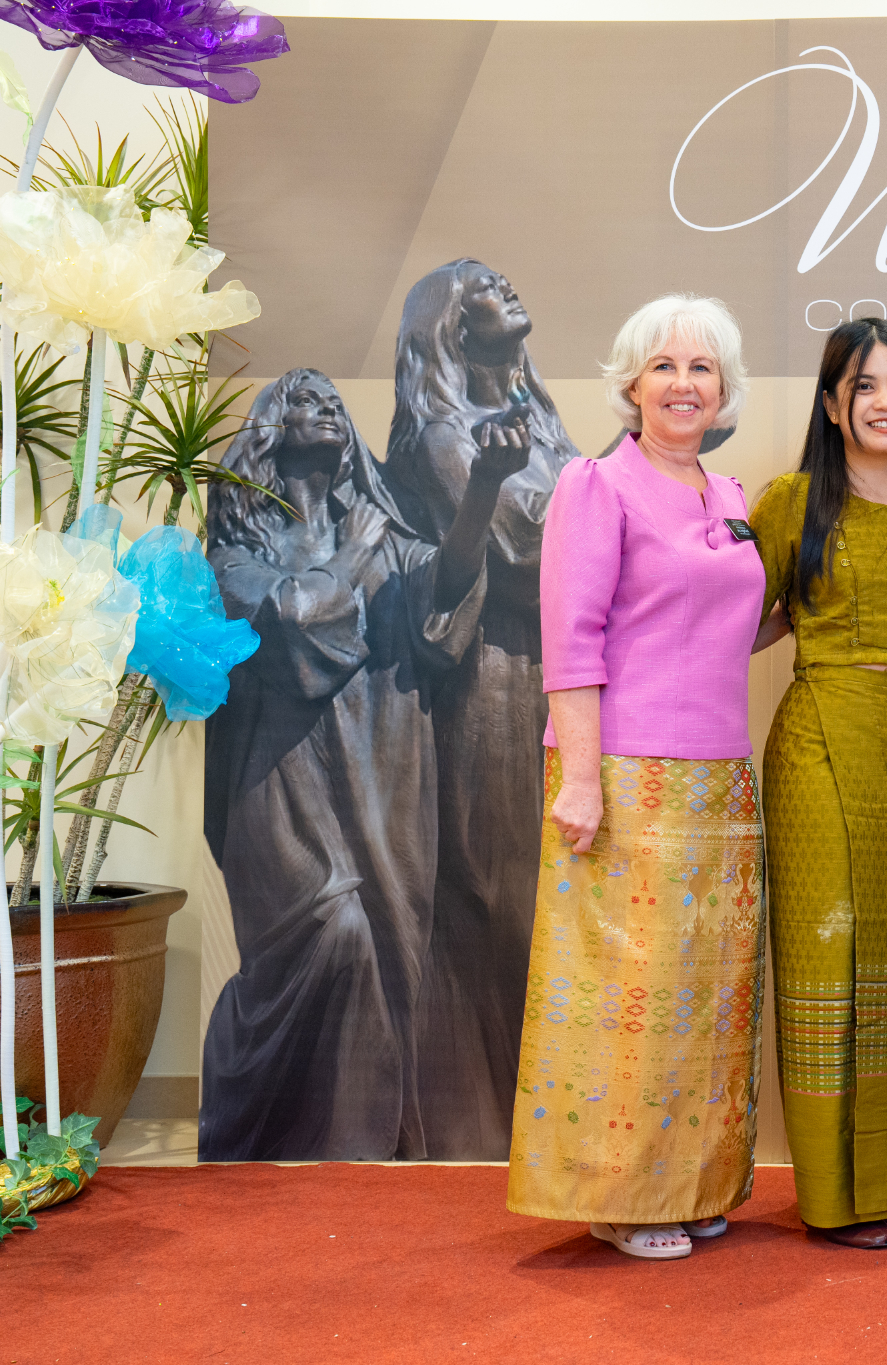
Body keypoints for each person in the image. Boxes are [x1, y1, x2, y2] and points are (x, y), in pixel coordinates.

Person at [200, 370, 522, 1161]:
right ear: (269, 430)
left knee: (386, 953)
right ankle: (271, 1135)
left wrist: (483, 487)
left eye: (332, 401)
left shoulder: (383, 533)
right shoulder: (235, 554)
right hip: (278, 781)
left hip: (384, 773)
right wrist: (348, 558)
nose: (322, 409)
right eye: (301, 399)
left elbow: (444, 597)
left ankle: (361, 1164)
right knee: (328, 934)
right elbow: (289, 621)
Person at [505, 295, 767, 1261]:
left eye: (701, 368)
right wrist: (579, 780)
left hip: (722, 782)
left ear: (724, 389)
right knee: (628, 995)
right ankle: (621, 1198)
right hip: (624, 774)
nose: (683, 384)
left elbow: (731, 628)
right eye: (664, 366)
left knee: (705, 997)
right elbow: (569, 641)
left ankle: (688, 1185)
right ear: (631, 384)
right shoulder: (596, 485)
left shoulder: (730, 494)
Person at [750, 318, 887, 1250]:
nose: (886, 401)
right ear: (833, 406)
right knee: (823, 958)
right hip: (818, 748)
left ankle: (881, 1183)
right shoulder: (793, 501)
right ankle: (830, 1198)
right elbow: (733, 621)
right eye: (865, 385)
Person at [385, 258, 580, 1161]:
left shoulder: (541, 419)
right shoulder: (443, 434)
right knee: (506, 897)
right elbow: (521, 548)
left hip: (566, 672)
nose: (508, 290)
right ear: (454, 325)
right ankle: (495, 1123)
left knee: (563, 898)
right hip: (496, 680)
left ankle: (558, 1114)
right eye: (486, 290)